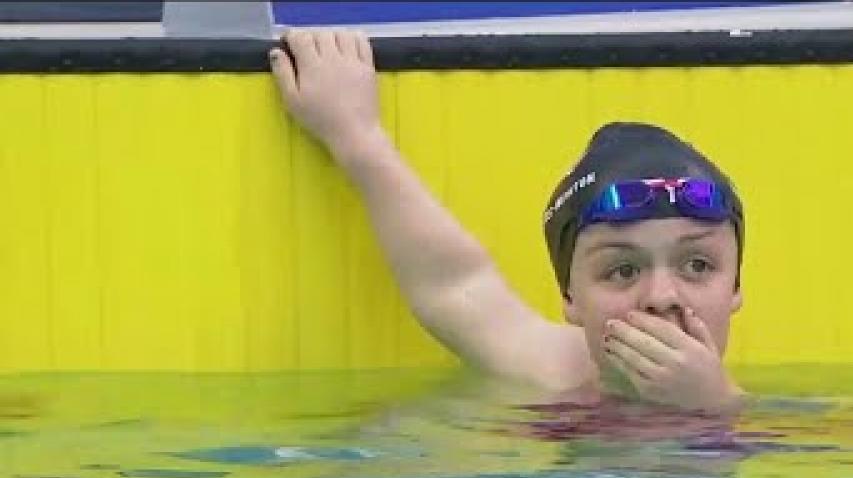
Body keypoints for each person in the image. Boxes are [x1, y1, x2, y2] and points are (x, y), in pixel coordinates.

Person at [268, 29, 747, 413]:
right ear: (570, 298)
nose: (662, 298)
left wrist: (714, 408)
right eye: (622, 270)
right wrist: (355, 133)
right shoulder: (551, 372)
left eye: (698, 265)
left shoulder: (761, 423)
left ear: (736, 287)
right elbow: (452, 283)